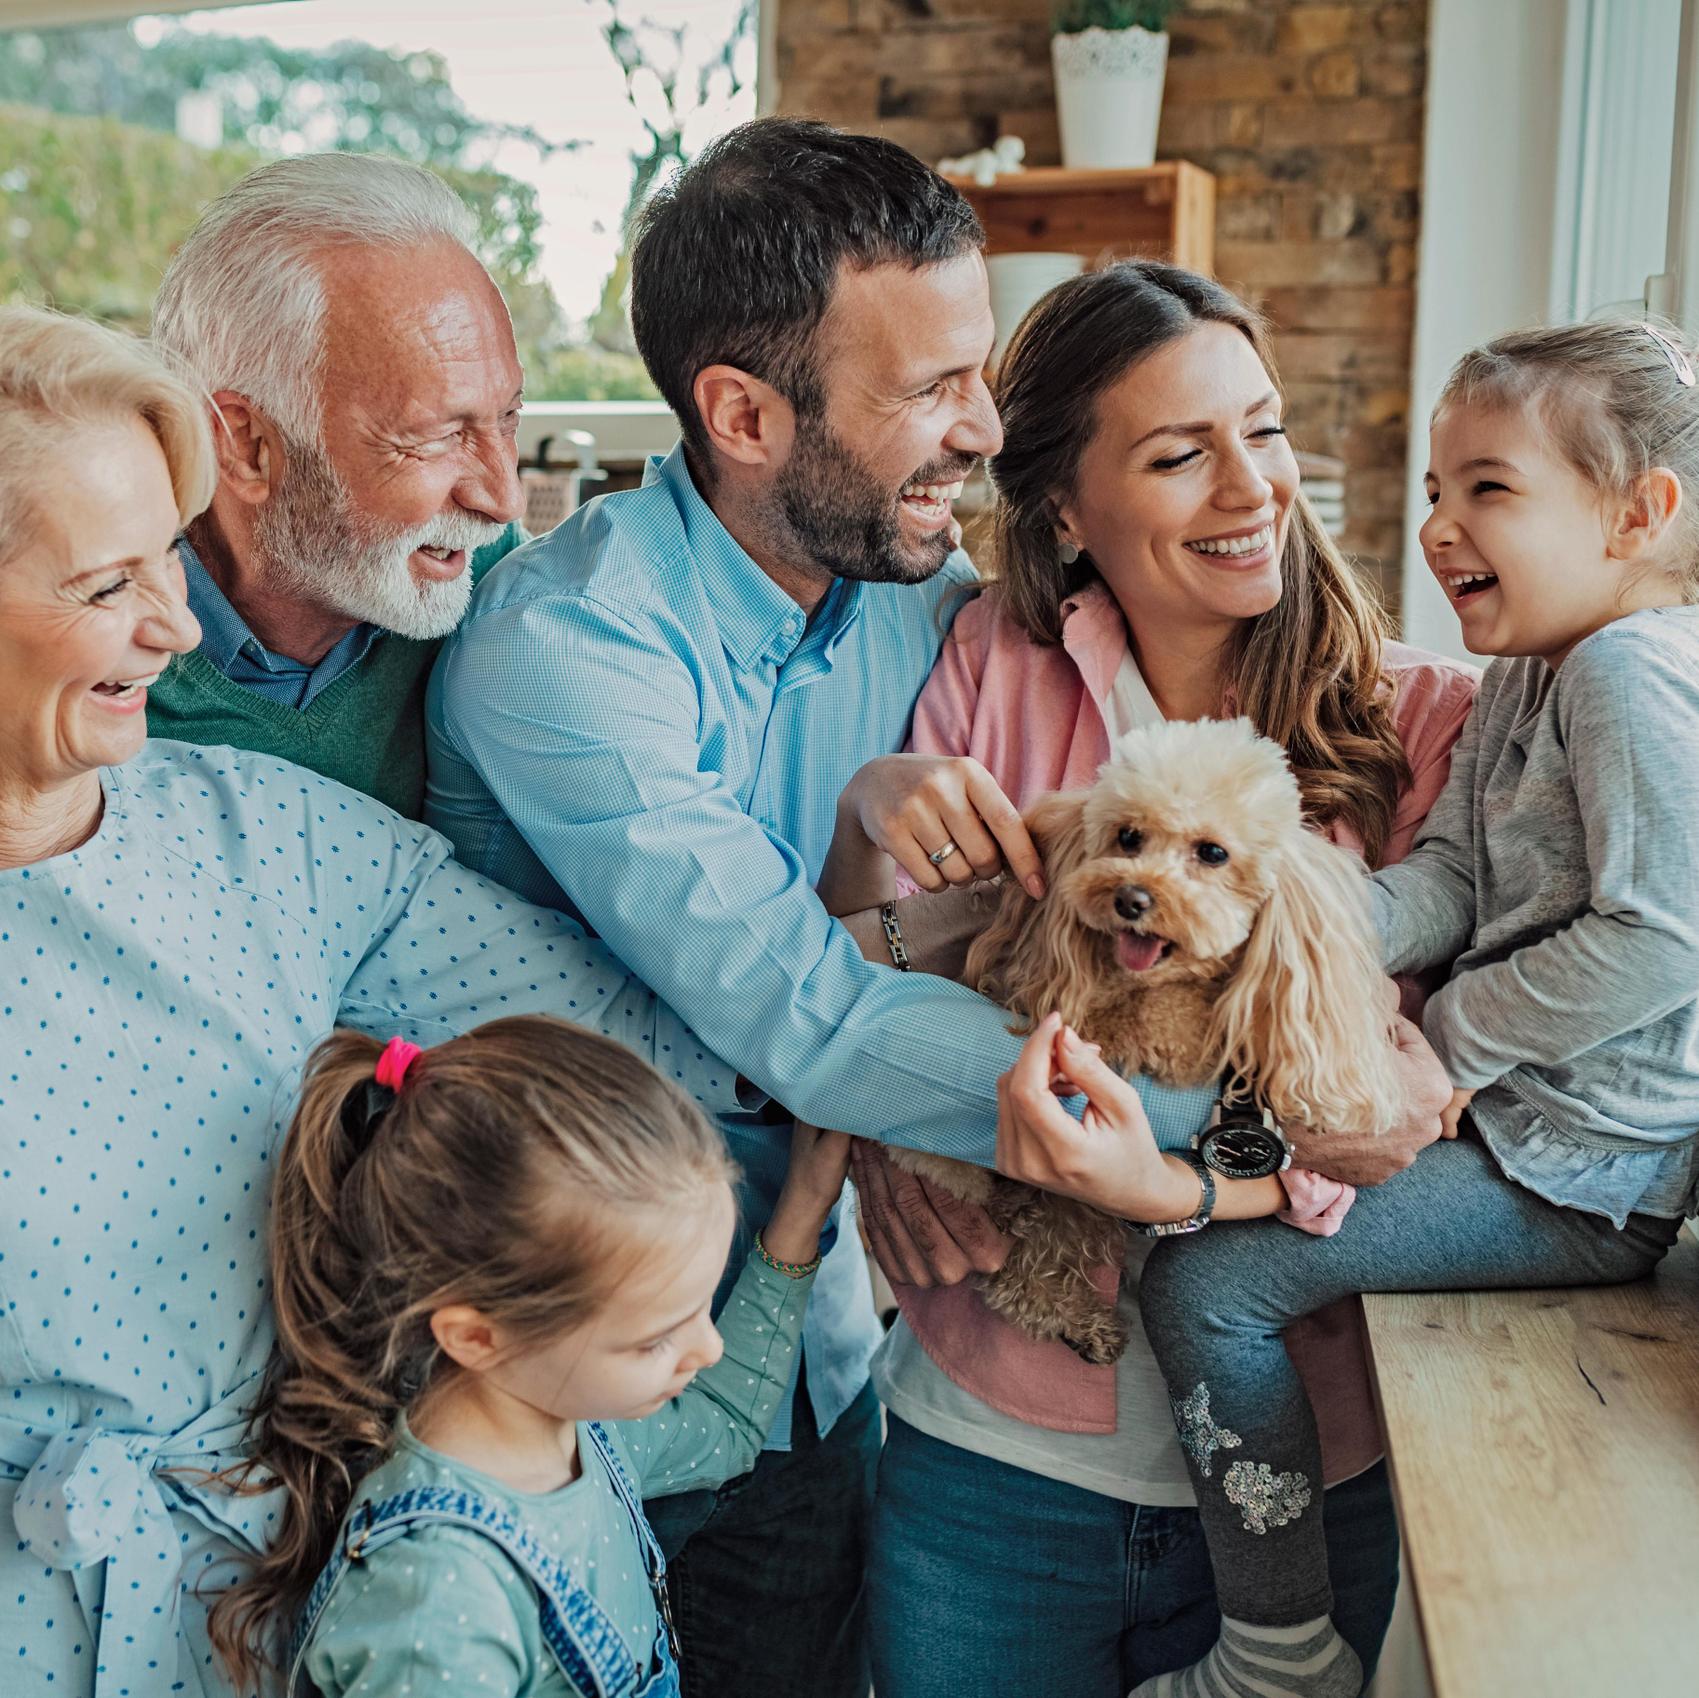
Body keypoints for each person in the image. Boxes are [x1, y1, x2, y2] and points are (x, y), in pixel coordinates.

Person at [424, 120, 1289, 1697]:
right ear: (742, 414)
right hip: (554, 1385)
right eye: (927, 391)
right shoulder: (569, 650)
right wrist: (1236, 1125)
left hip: (806, 1355)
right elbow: (813, 1025)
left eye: (980, 374)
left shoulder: (934, 608)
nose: (979, 430)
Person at [0, 305, 738, 1698]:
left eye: (170, 549)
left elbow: (673, 1027)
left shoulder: (263, 834)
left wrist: (892, 940)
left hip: (279, 1612)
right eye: (105, 585)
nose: (172, 623)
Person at [814, 262, 1474, 1698]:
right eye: (1180, 455)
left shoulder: (1423, 723)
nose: (1251, 488)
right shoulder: (986, 664)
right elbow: (885, 969)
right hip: (992, 1460)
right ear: (1064, 510)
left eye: (1265, 430)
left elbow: (1427, 1114)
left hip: (1310, 1461)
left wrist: (1173, 1167)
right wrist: (877, 1105)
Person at [1114, 317, 1699, 1698]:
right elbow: (1447, 872)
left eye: (1486, 488)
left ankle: (1274, 1651)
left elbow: (1660, 938)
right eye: (1435, 490)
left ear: (1638, 512)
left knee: (1205, 1277)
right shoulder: (1531, 672)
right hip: (1521, 1130)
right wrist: (1291, 928)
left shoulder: (1626, 676)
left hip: (1578, 1172)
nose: (1437, 526)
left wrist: (1437, 1045)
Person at [209, 1015, 852, 1697]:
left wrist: (804, 1204)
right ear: (478, 1337)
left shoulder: (581, 1430)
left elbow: (722, 1421)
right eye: (655, 1338)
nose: (708, 1346)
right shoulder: (437, 1595)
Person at [147, 152, 527, 817]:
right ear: (247, 447)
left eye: (508, 418)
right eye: (438, 436)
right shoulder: (81, 654)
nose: (502, 499)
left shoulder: (506, 594)